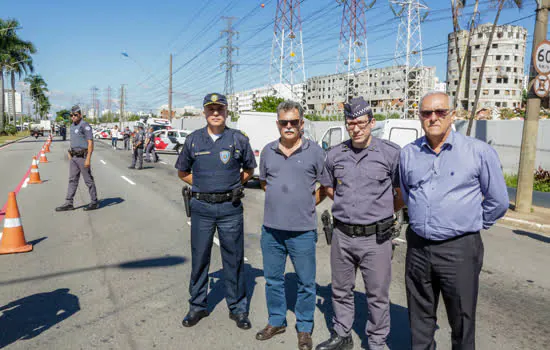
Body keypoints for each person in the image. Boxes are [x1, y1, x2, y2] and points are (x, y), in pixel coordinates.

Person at [399, 91, 509, 350]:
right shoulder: (408, 154)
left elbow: (499, 201)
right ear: (420, 117)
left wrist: (469, 223)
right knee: (419, 318)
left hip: (459, 249)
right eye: (427, 113)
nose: (433, 118)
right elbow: (406, 193)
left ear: (453, 115)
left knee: (461, 319)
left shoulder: (478, 152)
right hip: (418, 248)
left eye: (440, 112)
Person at [317, 97, 403, 350]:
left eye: (361, 123)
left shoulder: (390, 153)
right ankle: (342, 335)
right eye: (351, 123)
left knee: (377, 295)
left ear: (372, 123)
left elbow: (400, 194)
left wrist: (381, 213)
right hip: (342, 235)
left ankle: (377, 342)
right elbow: (330, 189)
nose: (356, 128)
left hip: (376, 239)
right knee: (341, 289)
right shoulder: (335, 154)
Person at [175, 93, 256, 330]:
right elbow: (182, 172)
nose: (215, 113)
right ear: (204, 113)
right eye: (211, 109)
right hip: (202, 208)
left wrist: (231, 185)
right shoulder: (193, 140)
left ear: (226, 111)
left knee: (234, 259)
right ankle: (197, 306)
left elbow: (249, 169)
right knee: (200, 258)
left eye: (220, 109)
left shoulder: (238, 139)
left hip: (230, 208)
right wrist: (201, 185)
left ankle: (238, 308)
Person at [256, 101, 326, 350]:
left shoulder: (315, 152)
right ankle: (277, 321)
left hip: (303, 232)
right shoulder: (267, 151)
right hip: (272, 231)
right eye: (283, 122)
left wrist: (306, 203)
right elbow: (265, 183)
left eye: (293, 122)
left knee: (306, 283)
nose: (288, 126)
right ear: (278, 124)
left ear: (301, 124)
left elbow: (324, 188)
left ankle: (304, 327)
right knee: (273, 280)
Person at [55, 105, 99, 212]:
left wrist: (88, 158)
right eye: (71, 115)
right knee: (72, 180)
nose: (73, 117)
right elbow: (74, 140)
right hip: (74, 157)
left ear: (80, 114)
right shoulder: (72, 126)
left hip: (83, 157)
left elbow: (90, 143)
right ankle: (69, 203)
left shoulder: (85, 125)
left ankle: (94, 202)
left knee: (88, 180)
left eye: (75, 115)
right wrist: (70, 153)